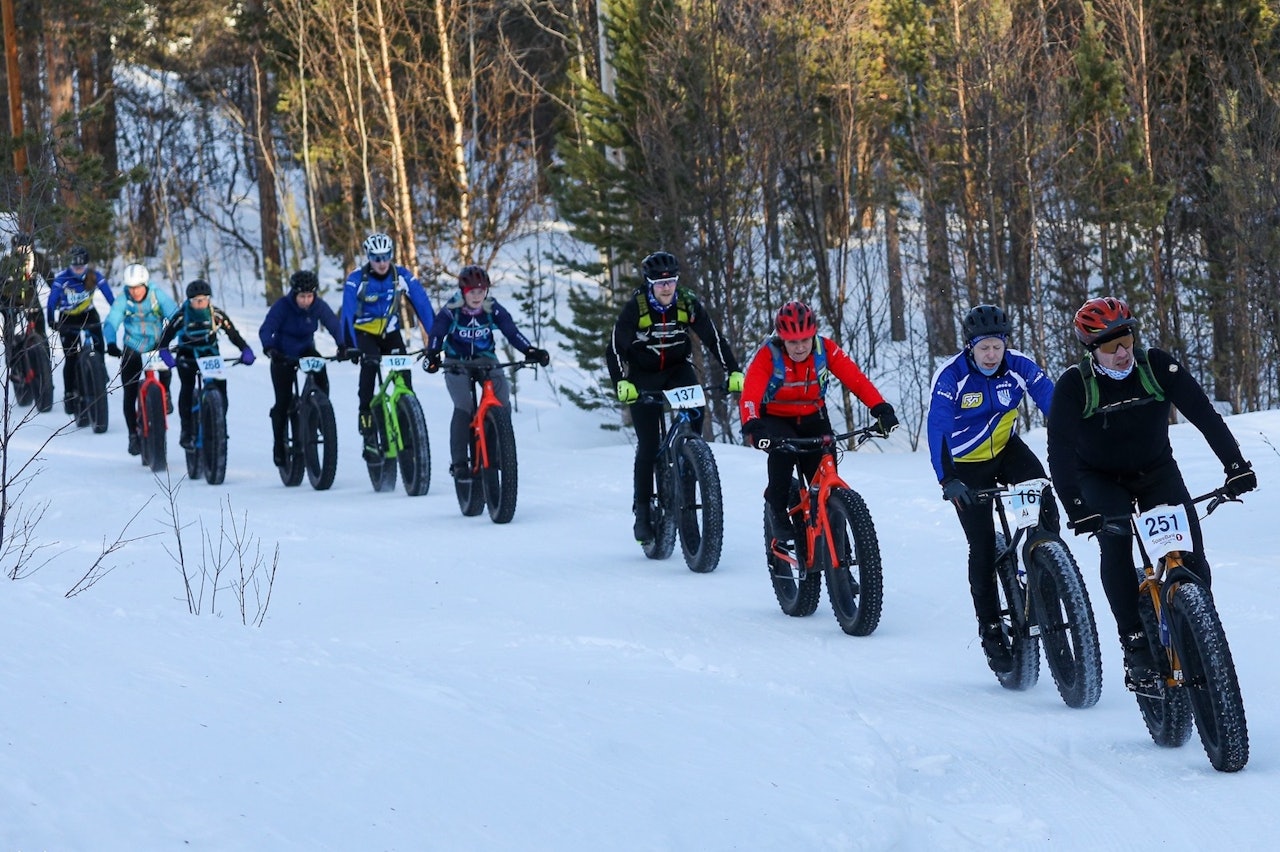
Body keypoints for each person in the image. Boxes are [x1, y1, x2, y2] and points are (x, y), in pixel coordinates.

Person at [1046, 296, 1256, 688]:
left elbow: (1205, 415)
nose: (1123, 352)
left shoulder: (1156, 365)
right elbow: (1058, 448)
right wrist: (1075, 506)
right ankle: (1135, 641)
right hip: (1099, 477)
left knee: (1190, 553)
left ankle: (1200, 629)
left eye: (1127, 339)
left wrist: (1236, 465)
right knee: (1117, 540)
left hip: (1156, 470)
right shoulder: (1075, 385)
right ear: (1092, 350)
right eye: (1111, 346)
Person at [925, 304, 1055, 673]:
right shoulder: (951, 376)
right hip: (965, 466)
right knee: (981, 547)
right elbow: (938, 428)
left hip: (1006, 451)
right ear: (970, 347)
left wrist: (1074, 441)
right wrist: (947, 479)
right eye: (984, 348)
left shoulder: (1018, 365)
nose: (991, 355)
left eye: (997, 346)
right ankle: (991, 627)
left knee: (1044, 497)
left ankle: (1047, 570)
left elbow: (1052, 402)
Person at [605, 250, 744, 543]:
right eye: (659, 282)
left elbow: (713, 338)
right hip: (643, 377)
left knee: (696, 418)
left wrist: (733, 370)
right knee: (648, 444)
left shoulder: (688, 302)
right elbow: (615, 348)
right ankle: (642, 512)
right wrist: (621, 382)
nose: (666, 287)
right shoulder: (637, 307)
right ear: (649, 283)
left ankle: (690, 466)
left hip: (678, 371)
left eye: (670, 281)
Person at [739, 299, 898, 544]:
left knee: (826, 478)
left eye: (805, 340)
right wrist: (753, 426)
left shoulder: (826, 349)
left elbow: (855, 379)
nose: (800, 347)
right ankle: (777, 510)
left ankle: (840, 549)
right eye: (793, 342)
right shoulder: (768, 356)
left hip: (814, 416)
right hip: (776, 419)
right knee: (782, 454)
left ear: (813, 334)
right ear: (782, 339)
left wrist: (880, 408)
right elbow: (750, 395)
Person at [423, 264, 550, 480]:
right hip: (457, 361)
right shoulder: (453, 307)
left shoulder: (491, 307)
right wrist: (433, 354)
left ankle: (499, 447)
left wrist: (530, 350)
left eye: (481, 291)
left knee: (502, 396)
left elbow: (511, 330)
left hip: (485, 358)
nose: (477, 296)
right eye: (473, 291)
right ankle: (460, 462)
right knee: (464, 405)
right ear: (463, 291)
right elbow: (438, 331)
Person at [339, 232, 436, 461]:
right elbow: (347, 312)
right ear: (368, 257)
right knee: (370, 367)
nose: (382, 263)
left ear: (391, 255)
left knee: (404, 375)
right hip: (364, 333)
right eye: (376, 258)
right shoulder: (357, 279)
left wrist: (434, 340)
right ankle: (368, 429)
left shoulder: (400, 275)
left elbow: (422, 304)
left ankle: (406, 419)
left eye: (386, 257)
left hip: (390, 332)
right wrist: (349, 345)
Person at [258, 270, 345, 466]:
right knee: (283, 401)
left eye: (309, 296)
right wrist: (270, 348)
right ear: (294, 294)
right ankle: (279, 444)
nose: (306, 300)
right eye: (302, 296)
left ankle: (321, 413)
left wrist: (343, 345)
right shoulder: (282, 306)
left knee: (321, 371)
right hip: (282, 354)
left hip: (306, 349)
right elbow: (267, 328)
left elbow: (333, 323)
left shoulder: (318, 306)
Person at [156, 279, 256, 449]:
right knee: (187, 388)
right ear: (189, 301)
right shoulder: (181, 316)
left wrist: (245, 349)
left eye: (204, 299)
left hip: (210, 356)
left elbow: (233, 333)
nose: (201, 303)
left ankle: (219, 423)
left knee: (221, 389)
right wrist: (166, 354)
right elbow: (165, 340)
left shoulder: (215, 314)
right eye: (196, 300)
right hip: (187, 356)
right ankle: (186, 430)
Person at [102, 263, 178, 455]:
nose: (135, 291)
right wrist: (111, 343)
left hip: (156, 344)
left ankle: (166, 393)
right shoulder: (123, 299)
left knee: (166, 366)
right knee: (129, 391)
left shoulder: (156, 295)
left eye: (138, 287)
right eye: (131, 287)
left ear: (145, 284)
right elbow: (111, 321)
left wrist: (179, 337)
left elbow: (176, 315)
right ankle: (132, 435)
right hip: (133, 347)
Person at [47, 245, 116, 413]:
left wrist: (116, 312)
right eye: (75, 267)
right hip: (67, 317)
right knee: (70, 358)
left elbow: (109, 295)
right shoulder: (62, 278)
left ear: (86, 265)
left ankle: (100, 368)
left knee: (99, 345)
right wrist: (51, 319)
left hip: (88, 314)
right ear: (69, 265)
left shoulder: (94, 276)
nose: (78, 270)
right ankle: (69, 393)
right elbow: (51, 300)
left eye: (81, 267)